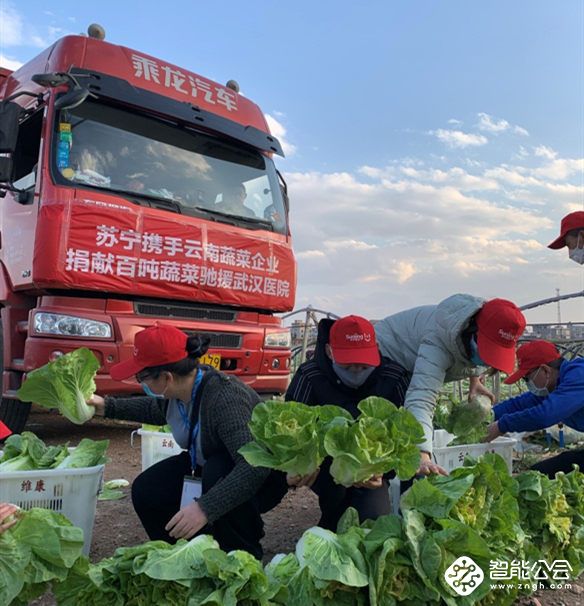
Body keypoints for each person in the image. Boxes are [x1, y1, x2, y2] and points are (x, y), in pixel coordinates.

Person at [89, 322, 286, 558]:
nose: (141, 383)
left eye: (142, 376)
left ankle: (241, 556)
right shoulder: (176, 393)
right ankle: (186, 556)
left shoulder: (225, 398)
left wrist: (205, 508)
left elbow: (255, 467)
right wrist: (106, 406)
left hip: (257, 480)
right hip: (209, 470)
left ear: (167, 377)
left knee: (216, 469)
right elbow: (153, 409)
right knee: (147, 490)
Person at [374, 294, 527, 475]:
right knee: (394, 437)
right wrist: (422, 454)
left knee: (412, 438)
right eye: (487, 351)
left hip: (411, 365)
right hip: (384, 360)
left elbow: (467, 355)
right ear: (473, 331)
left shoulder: (465, 331)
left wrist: (475, 380)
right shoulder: (437, 342)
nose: (486, 362)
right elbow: (421, 398)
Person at [285, 315, 412, 530]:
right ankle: (330, 524)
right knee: (335, 505)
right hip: (325, 468)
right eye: (348, 364)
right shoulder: (310, 375)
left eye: (363, 365)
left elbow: (408, 440)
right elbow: (290, 426)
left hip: (373, 469)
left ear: (376, 348)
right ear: (329, 351)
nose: (355, 369)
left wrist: (383, 470)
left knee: (372, 520)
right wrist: (297, 463)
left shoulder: (394, 377)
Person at [485, 340, 584, 477]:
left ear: (545, 370)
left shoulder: (579, 375)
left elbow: (545, 415)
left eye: (527, 378)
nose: (528, 383)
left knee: (547, 475)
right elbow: (518, 404)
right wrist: (486, 416)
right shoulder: (554, 385)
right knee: (537, 474)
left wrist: (501, 426)